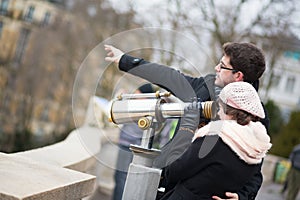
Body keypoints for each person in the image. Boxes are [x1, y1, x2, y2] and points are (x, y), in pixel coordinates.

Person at [104, 42, 269, 200]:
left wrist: (242, 197)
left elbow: (254, 169)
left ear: (238, 76)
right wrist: (126, 61)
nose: (216, 68)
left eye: (222, 66)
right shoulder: (207, 85)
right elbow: (169, 77)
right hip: (171, 187)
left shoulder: (255, 114)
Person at [159, 81, 272, 199]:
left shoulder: (215, 139)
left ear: (229, 111)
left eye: (220, 108)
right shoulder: (256, 147)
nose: (217, 113)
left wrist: (186, 129)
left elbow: (173, 171)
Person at [113, 83, 155, 200]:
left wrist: (121, 98)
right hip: (131, 146)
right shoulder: (146, 107)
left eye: (138, 92)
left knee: (121, 178)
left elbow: (117, 115)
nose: (135, 94)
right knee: (122, 178)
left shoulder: (141, 107)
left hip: (129, 146)